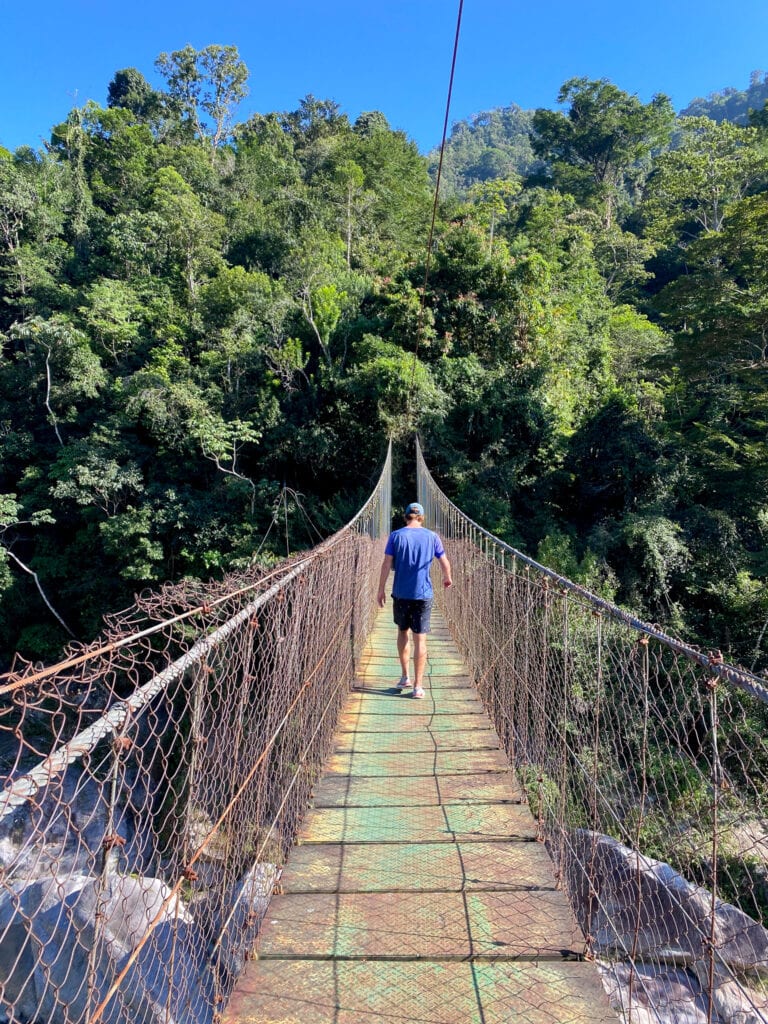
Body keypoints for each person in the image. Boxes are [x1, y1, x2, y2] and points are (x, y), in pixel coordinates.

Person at [376, 502, 452, 698]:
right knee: (420, 639)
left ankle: (405, 677)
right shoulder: (432, 536)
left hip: (401, 593)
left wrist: (380, 589)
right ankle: (418, 686)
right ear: (422, 517)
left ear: (406, 516)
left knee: (402, 632)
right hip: (423, 595)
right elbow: (444, 561)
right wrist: (447, 577)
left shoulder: (396, 536)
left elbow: (386, 563)